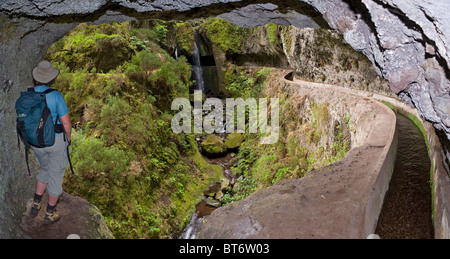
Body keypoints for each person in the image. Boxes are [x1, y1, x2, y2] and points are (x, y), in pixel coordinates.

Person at [29, 61, 72, 225]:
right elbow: (66, 122)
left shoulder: (29, 94)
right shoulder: (55, 95)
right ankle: (50, 213)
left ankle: (35, 205)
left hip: (36, 143)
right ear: (51, 78)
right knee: (56, 175)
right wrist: (68, 139)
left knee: (45, 169)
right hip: (54, 142)